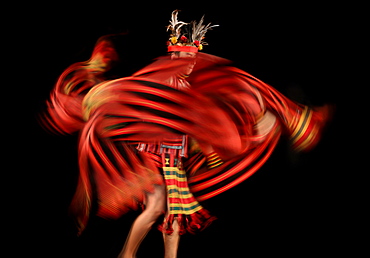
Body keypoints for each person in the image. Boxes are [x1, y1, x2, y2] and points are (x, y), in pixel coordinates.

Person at [42, 10, 333, 258]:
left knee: (159, 210)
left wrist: (210, 145)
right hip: (163, 158)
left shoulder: (188, 85)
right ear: (174, 55)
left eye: (191, 57)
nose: (188, 61)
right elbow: (153, 110)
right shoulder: (162, 80)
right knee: (170, 213)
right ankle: (132, 254)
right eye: (182, 55)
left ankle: (129, 254)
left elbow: (195, 120)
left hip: (170, 157)